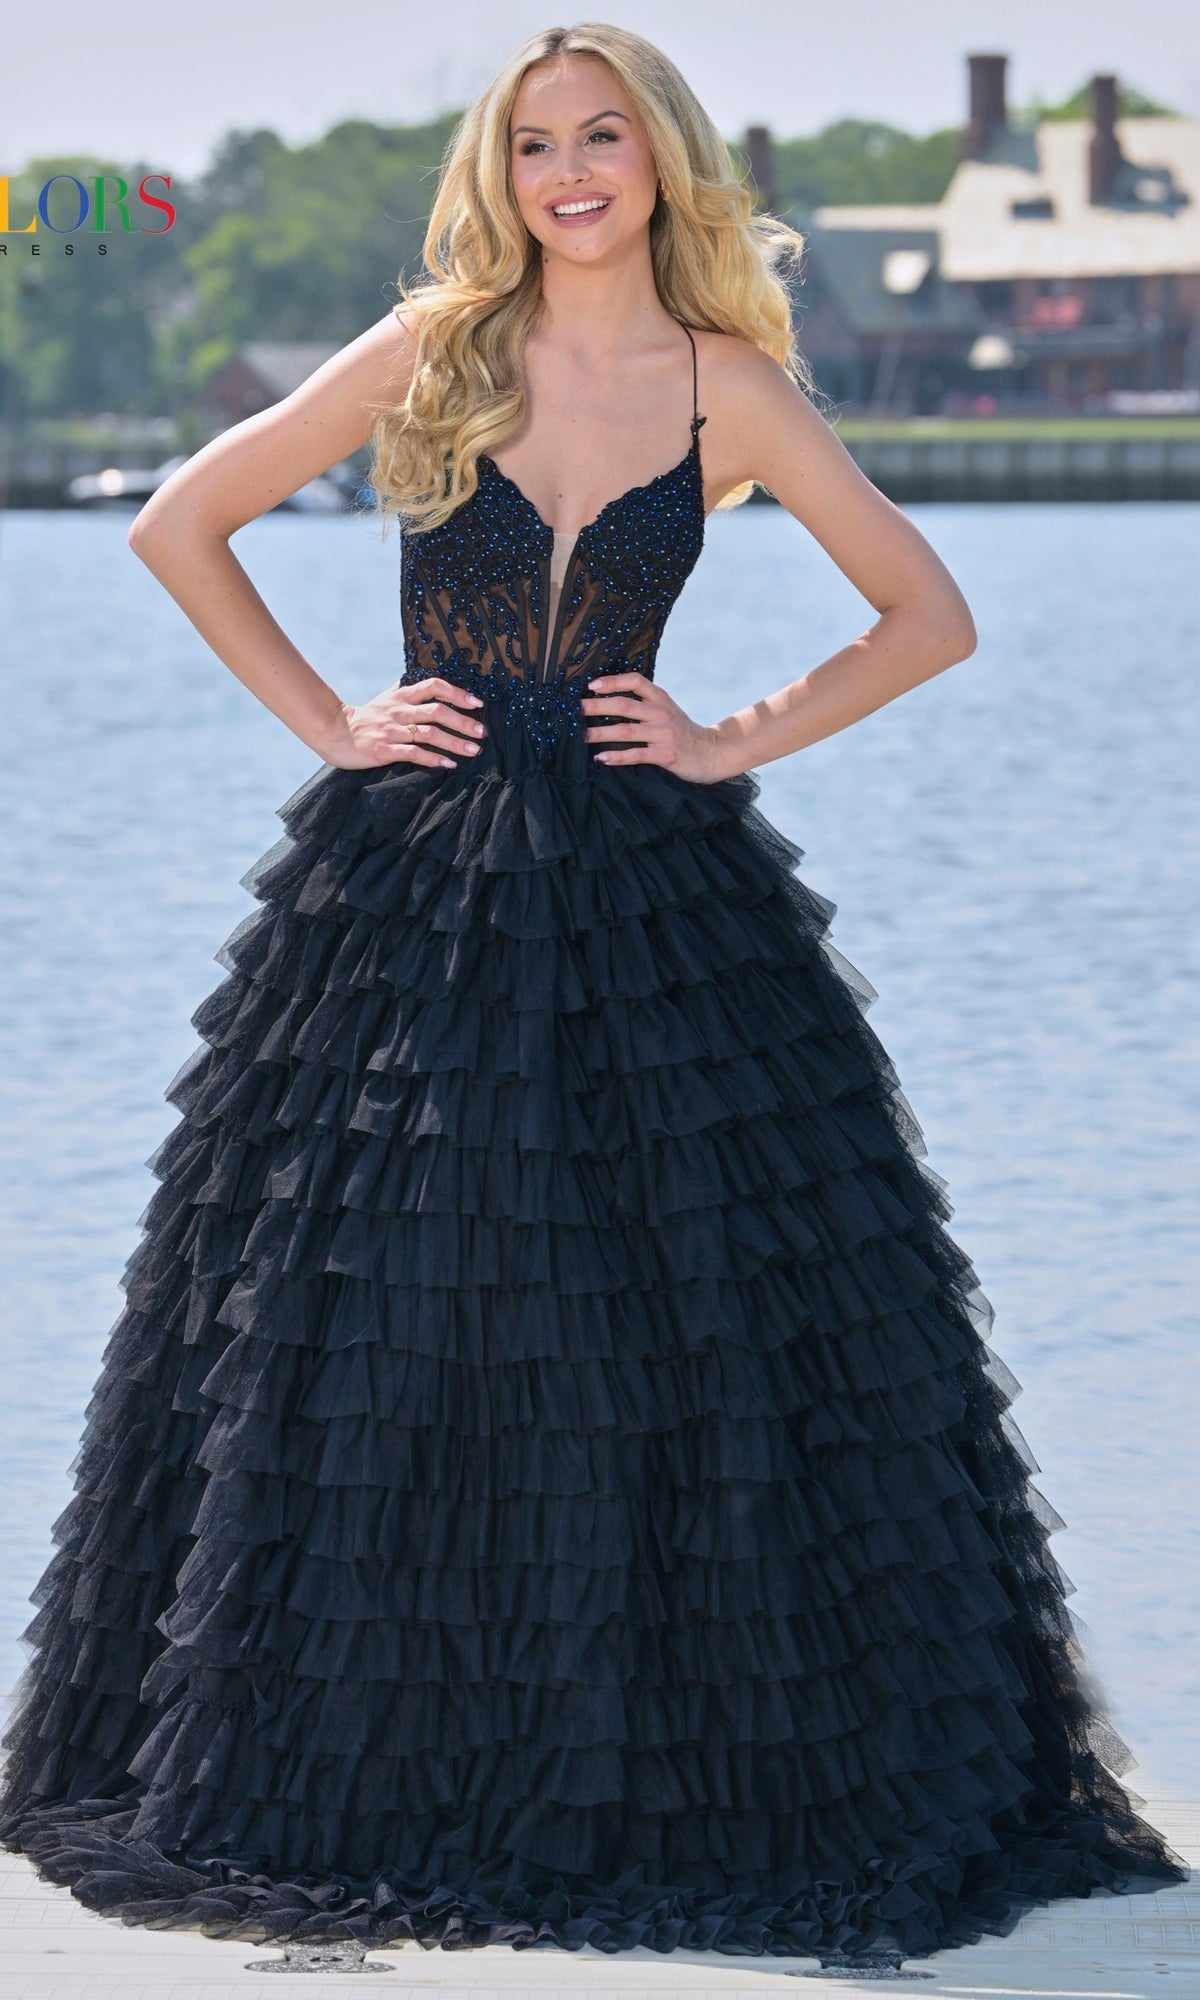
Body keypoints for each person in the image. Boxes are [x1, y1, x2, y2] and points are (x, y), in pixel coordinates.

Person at [0, 19, 1186, 1968]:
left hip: (658, 896)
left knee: (675, 1323)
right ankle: (380, 1758)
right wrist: (335, 722)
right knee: (386, 1314)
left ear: (659, 162)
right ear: (503, 169)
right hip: (412, 894)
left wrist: (739, 739)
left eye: (601, 139)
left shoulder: (733, 386)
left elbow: (931, 612)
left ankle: (654, 1761)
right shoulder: (437, 349)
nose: (567, 174)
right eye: (536, 143)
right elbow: (178, 523)